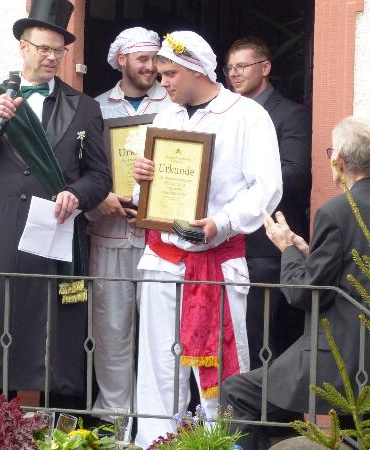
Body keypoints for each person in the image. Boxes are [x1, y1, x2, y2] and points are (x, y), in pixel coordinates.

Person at [0, 0, 111, 410]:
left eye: (59, 50)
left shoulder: (84, 107)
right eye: (43, 48)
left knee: (55, 336)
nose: (52, 57)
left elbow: (99, 176)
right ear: (23, 47)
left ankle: (55, 430)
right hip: (1, 236)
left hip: (56, 236)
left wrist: (78, 194)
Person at [131, 31, 282, 447]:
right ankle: (155, 443)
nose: (162, 82)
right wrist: (141, 182)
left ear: (196, 69)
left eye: (170, 74)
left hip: (216, 260)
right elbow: (147, 200)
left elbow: (267, 187)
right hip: (162, 259)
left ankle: (223, 444)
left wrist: (222, 221)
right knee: (158, 366)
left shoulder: (247, 116)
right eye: (160, 74)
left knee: (222, 369)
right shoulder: (165, 119)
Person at [222, 116, 370, 450]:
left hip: (340, 357)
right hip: (360, 355)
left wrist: (287, 249)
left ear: (339, 160)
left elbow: (304, 293)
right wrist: (306, 252)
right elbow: (348, 268)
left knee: (237, 393)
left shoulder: (337, 211)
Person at [90, 26, 172, 416]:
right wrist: (98, 199)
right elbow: (81, 168)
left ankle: (159, 423)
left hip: (163, 239)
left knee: (163, 334)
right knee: (111, 331)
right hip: (109, 235)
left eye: (156, 59)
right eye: (143, 59)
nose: (151, 67)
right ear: (122, 60)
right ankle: (114, 419)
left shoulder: (175, 104)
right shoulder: (95, 107)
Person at [225, 36, 311, 369]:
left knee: (262, 338)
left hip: (267, 248)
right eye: (230, 68)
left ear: (265, 68)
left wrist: (237, 181)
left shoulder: (290, 114)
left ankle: (266, 403)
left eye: (242, 66)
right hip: (226, 242)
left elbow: (296, 173)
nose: (234, 73)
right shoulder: (225, 114)